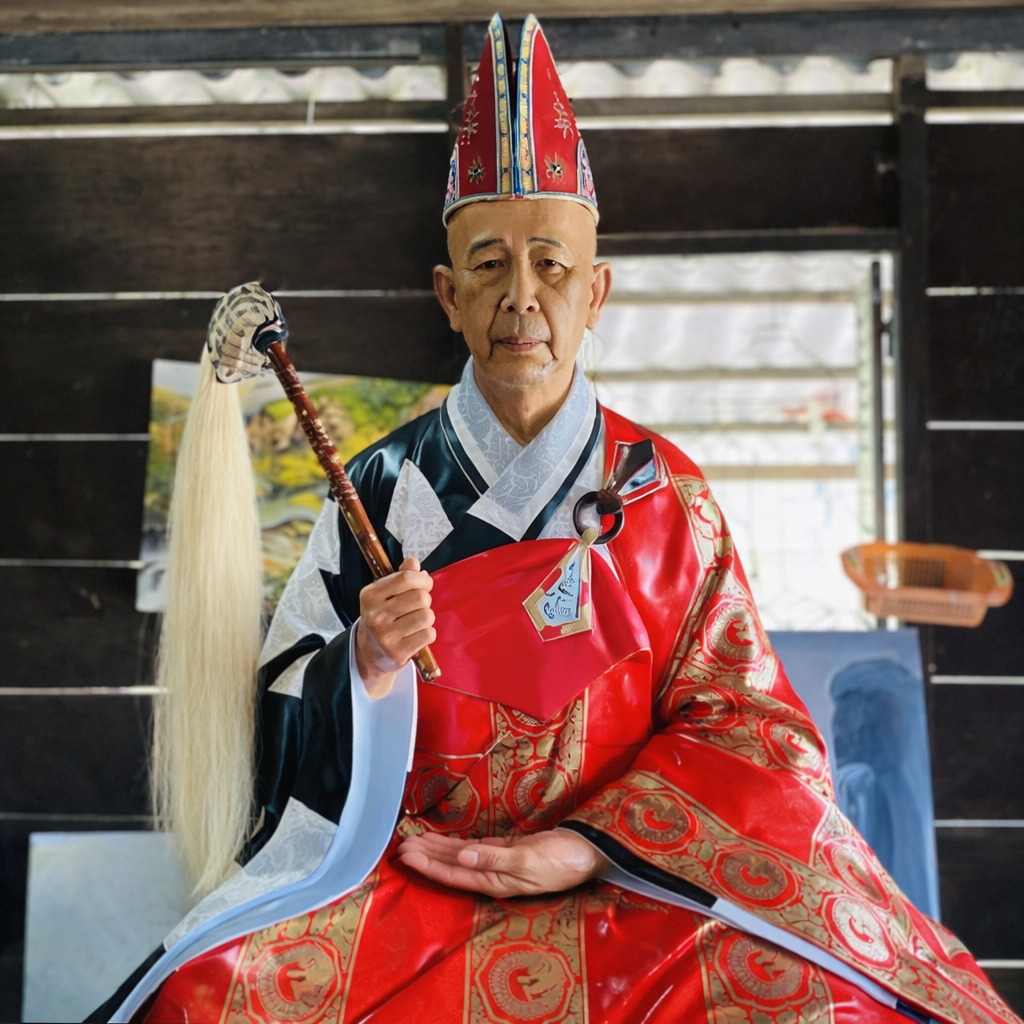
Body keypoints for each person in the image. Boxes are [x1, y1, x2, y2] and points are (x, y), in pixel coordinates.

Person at [92, 14, 1018, 1024]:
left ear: (597, 291)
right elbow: (274, 715)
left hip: (634, 886)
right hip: (406, 883)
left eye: (551, 263)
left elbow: (754, 730)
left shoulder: (667, 495)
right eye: (488, 265)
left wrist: (586, 842)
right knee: (204, 995)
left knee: (821, 1000)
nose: (520, 296)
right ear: (447, 294)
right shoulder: (374, 486)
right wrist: (362, 663)